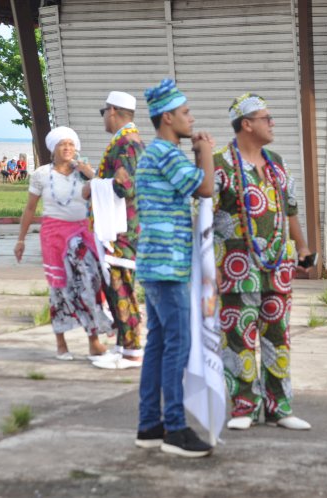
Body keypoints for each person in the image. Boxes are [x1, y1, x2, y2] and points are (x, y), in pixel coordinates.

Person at [212, 93, 312, 432]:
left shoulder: (276, 162)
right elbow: (203, 219)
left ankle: (279, 407)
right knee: (239, 337)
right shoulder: (220, 163)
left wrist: (303, 247)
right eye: (266, 118)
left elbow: (291, 208)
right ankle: (244, 406)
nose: (272, 123)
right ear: (247, 124)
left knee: (278, 336)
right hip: (237, 267)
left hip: (277, 265)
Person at [133, 79, 215, 458]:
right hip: (168, 267)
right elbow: (205, 189)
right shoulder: (167, 153)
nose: (191, 118)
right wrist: (206, 151)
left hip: (154, 264)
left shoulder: (155, 153)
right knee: (175, 347)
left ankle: (150, 425)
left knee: (158, 344)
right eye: (185, 113)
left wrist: (196, 154)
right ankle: (175, 430)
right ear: (167, 117)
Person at [14, 126, 112, 361]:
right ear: (53, 148)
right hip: (54, 236)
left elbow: (105, 193)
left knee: (90, 282)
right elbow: (29, 209)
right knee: (59, 288)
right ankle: (61, 343)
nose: (67, 148)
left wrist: (90, 174)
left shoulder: (83, 171)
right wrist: (20, 239)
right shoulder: (41, 174)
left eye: (71, 144)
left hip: (81, 234)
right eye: (62, 144)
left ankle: (94, 341)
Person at [83, 91, 145, 370]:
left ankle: (132, 351)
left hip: (121, 230)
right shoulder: (124, 141)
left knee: (121, 288)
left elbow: (123, 186)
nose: (103, 118)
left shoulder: (127, 143)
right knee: (114, 286)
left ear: (112, 111)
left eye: (103, 112)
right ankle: (123, 345)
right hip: (119, 227)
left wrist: (91, 186)